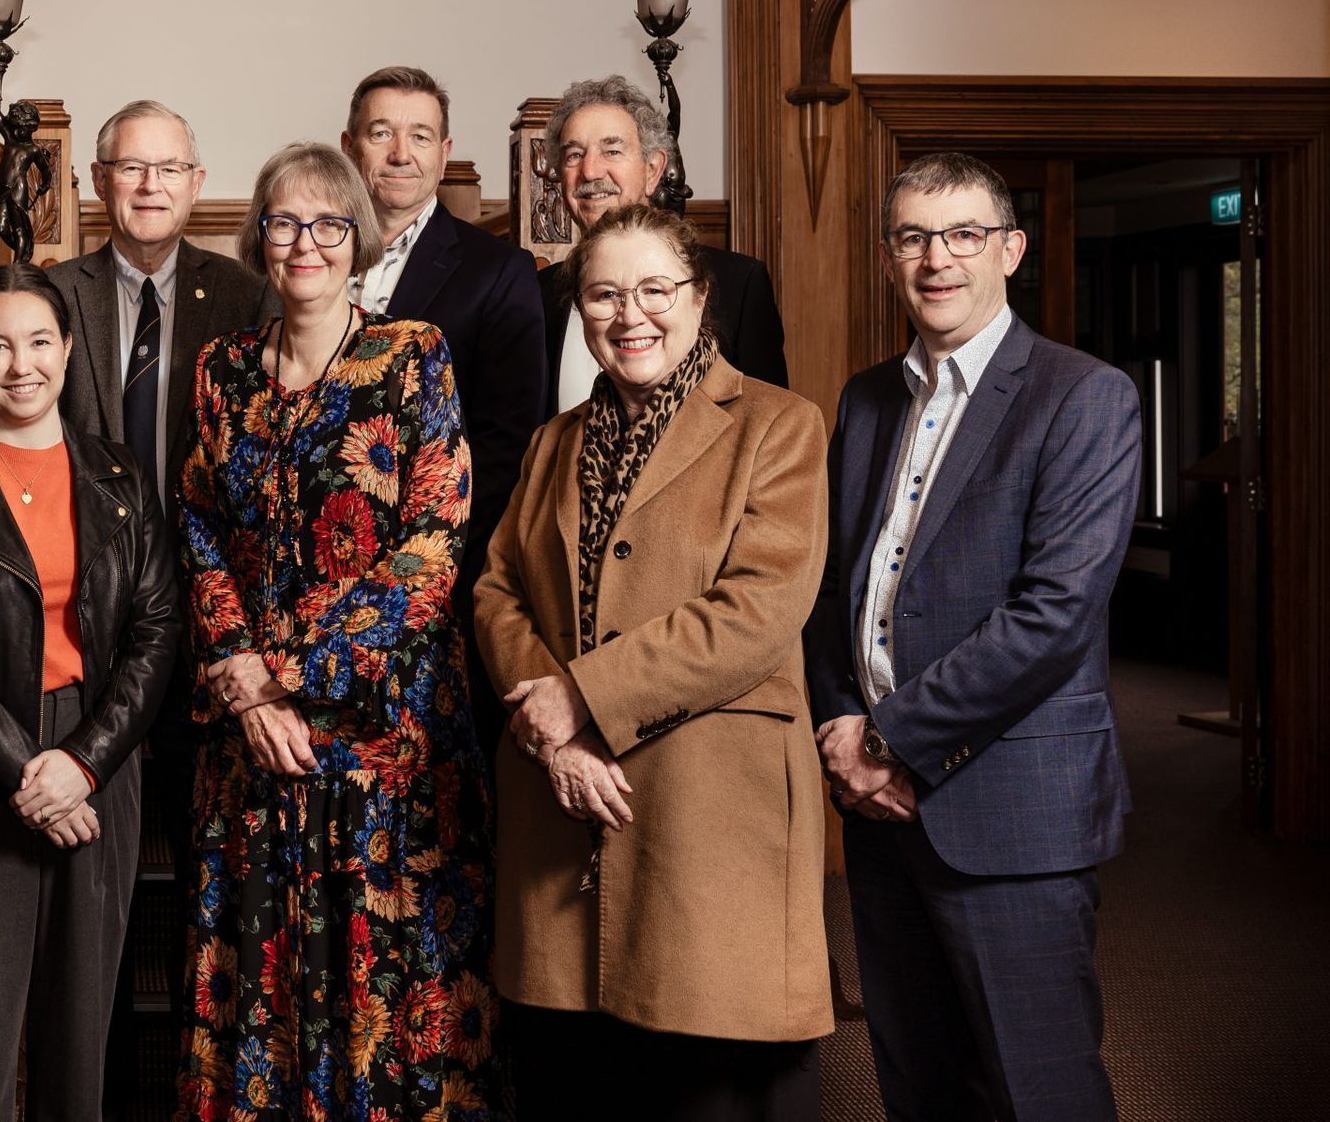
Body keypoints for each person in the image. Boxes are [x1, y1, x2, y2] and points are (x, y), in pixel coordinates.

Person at [803, 152, 1141, 1121]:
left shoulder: (1082, 396)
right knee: (918, 1083)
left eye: (963, 235)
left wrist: (887, 740)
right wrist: (839, 726)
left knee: (1039, 1092)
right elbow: (836, 591)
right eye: (913, 237)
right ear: (886, 256)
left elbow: (1053, 616)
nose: (936, 258)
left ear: (1011, 251)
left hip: (1008, 810)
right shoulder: (867, 400)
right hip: (877, 812)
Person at [474, 202, 831, 1120]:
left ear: (700, 298)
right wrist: (554, 732)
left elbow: (758, 611)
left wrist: (582, 699)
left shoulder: (778, 426)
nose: (630, 314)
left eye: (654, 290)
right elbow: (497, 589)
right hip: (562, 815)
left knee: (709, 1092)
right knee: (578, 1084)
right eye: (604, 294)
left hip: (709, 816)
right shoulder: (557, 441)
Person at [173, 144, 499, 1119]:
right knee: (260, 984)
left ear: (357, 237)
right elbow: (196, 525)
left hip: (383, 744)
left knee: (382, 997)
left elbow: (433, 543)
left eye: (327, 223)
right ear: (257, 237)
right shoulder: (221, 370)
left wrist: (288, 682)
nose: (305, 241)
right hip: (252, 748)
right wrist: (243, 679)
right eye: (284, 220)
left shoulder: (413, 355)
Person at [0, 262, 182, 1122]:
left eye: (39, 342)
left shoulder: (120, 478)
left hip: (98, 762)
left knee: (80, 1043)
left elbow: (157, 632)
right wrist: (28, 772)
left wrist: (81, 766)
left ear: (69, 349)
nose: (22, 365)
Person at [45, 100, 276, 1109]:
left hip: (221, 630)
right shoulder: (49, 295)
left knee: (207, 879)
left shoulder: (252, 296)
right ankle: (95, 1089)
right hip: (88, 629)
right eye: (129, 168)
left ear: (195, 183)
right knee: (92, 885)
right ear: (98, 181)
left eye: (168, 169)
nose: (148, 186)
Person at [340, 64, 545, 766]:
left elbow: (506, 439)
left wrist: (410, 558)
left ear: (445, 149)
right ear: (349, 146)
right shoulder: (307, 257)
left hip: (436, 586)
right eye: (382, 133)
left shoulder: (497, 271)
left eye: (420, 135)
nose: (401, 152)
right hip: (319, 586)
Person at [541, 74, 788, 415]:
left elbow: (769, 423)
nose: (590, 171)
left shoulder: (738, 284)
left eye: (612, 150)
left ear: (653, 169)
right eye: (573, 155)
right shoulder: (538, 294)